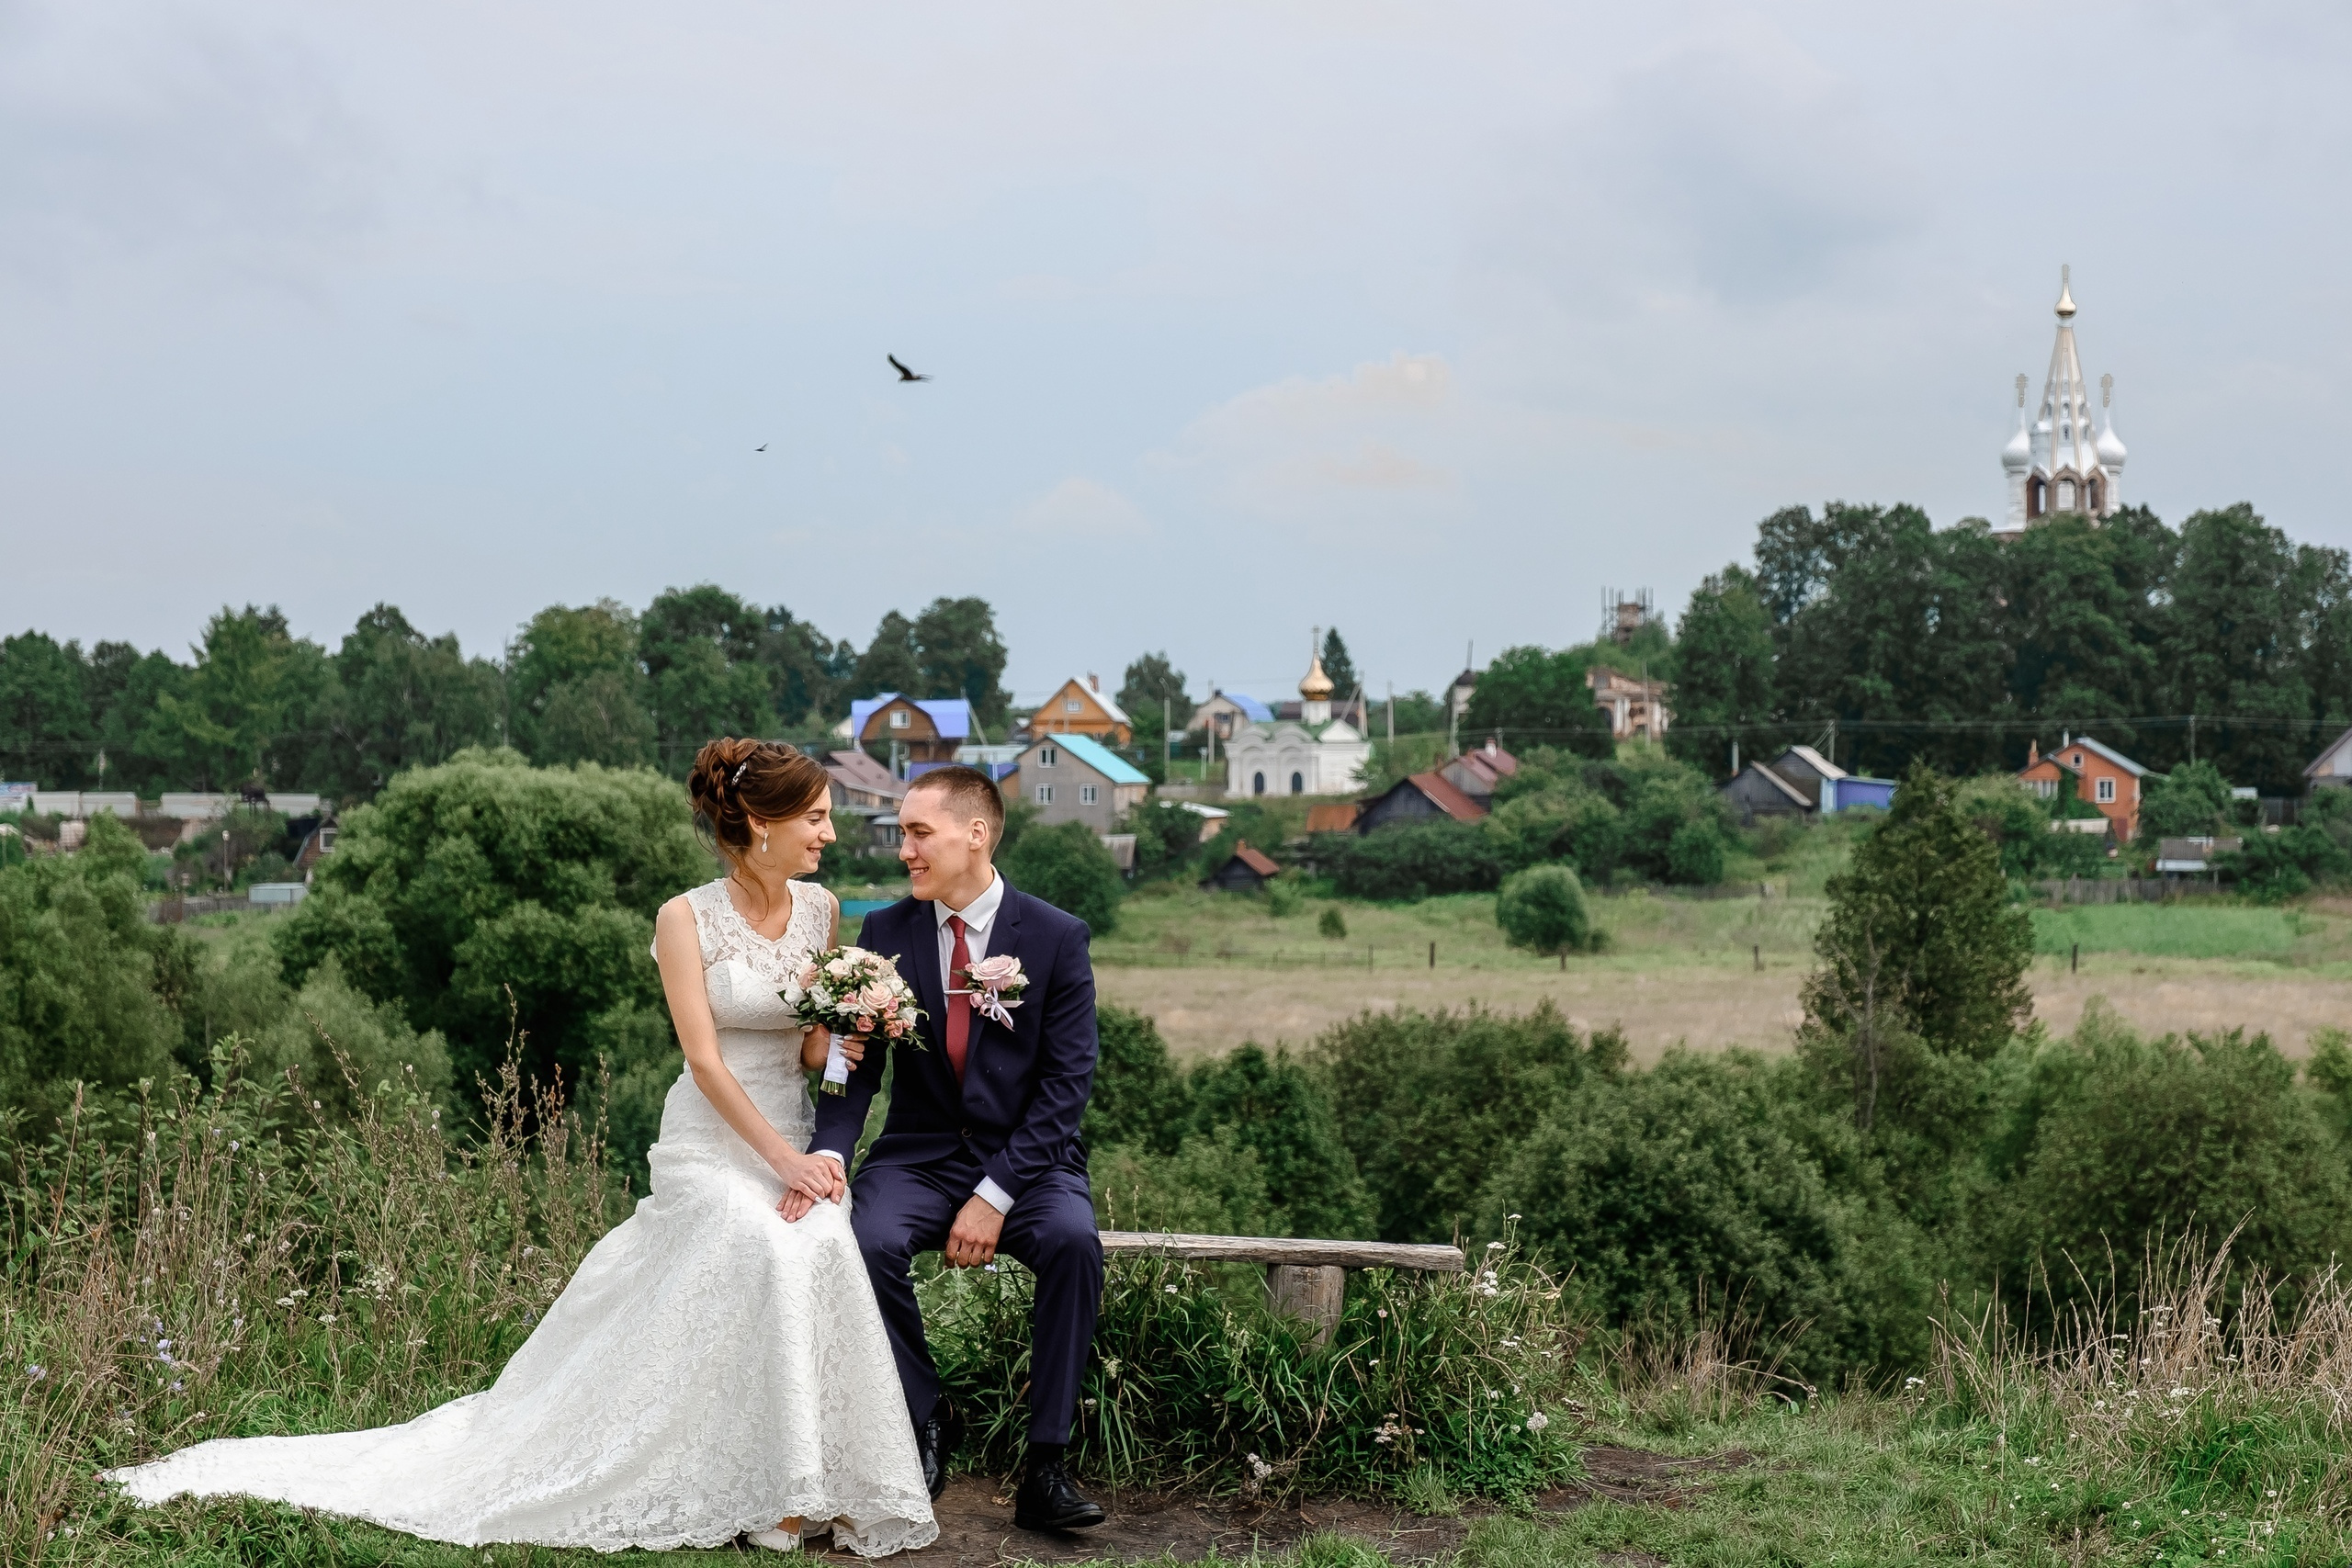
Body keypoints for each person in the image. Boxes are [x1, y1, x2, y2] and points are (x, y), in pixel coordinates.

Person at [107, 739, 936, 1557]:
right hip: (715, 1141)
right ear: (760, 821)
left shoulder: (823, 910)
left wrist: (846, 1037)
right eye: (816, 817)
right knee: (759, 1237)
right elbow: (705, 1060)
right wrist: (782, 1162)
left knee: (822, 1237)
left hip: (793, 1129)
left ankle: (803, 1480)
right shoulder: (684, 917)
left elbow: (805, 1046)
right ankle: (766, 1487)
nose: (830, 833)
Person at [806, 763, 1108, 1533]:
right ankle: (927, 1411)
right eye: (902, 832)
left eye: (918, 832)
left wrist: (995, 1195)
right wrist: (830, 1153)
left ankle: (1047, 1464)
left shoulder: (1056, 936)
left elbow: (1066, 1089)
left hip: (1028, 1164)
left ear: (975, 834)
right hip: (919, 1155)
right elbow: (855, 1065)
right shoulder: (886, 932)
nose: (903, 848)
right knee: (863, 1239)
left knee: (1075, 1243)